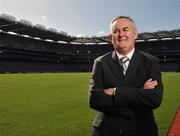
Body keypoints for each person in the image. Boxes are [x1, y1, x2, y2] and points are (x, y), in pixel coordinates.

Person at [89, 16, 163, 136]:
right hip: (105, 131)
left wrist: (115, 92)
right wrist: (139, 93)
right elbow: (95, 100)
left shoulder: (150, 61)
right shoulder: (100, 62)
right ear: (111, 37)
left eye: (125, 29)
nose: (121, 34)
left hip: (142, 130)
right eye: (116, 31)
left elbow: (154, 99)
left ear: (135, 34)